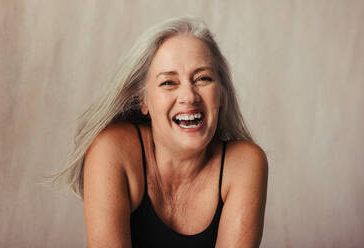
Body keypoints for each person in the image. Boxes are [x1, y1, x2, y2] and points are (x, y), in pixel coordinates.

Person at [56, 17, 268, 248]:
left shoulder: (244, 163)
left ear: (222, 95)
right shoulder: (112, 149)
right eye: (169, 82)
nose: (189, 96)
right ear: (143, 100)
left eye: (203, 79)